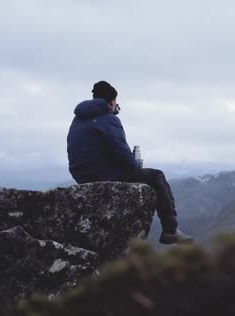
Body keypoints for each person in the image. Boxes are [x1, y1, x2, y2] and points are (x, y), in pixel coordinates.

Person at [67, 80, 193, 244]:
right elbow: (123, 155)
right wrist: (136, 165)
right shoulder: (108, 118)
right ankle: (170, 230)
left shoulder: (78, 119)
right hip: (105, 175)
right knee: (156, 176)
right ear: (112, 101)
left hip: (82, 176)